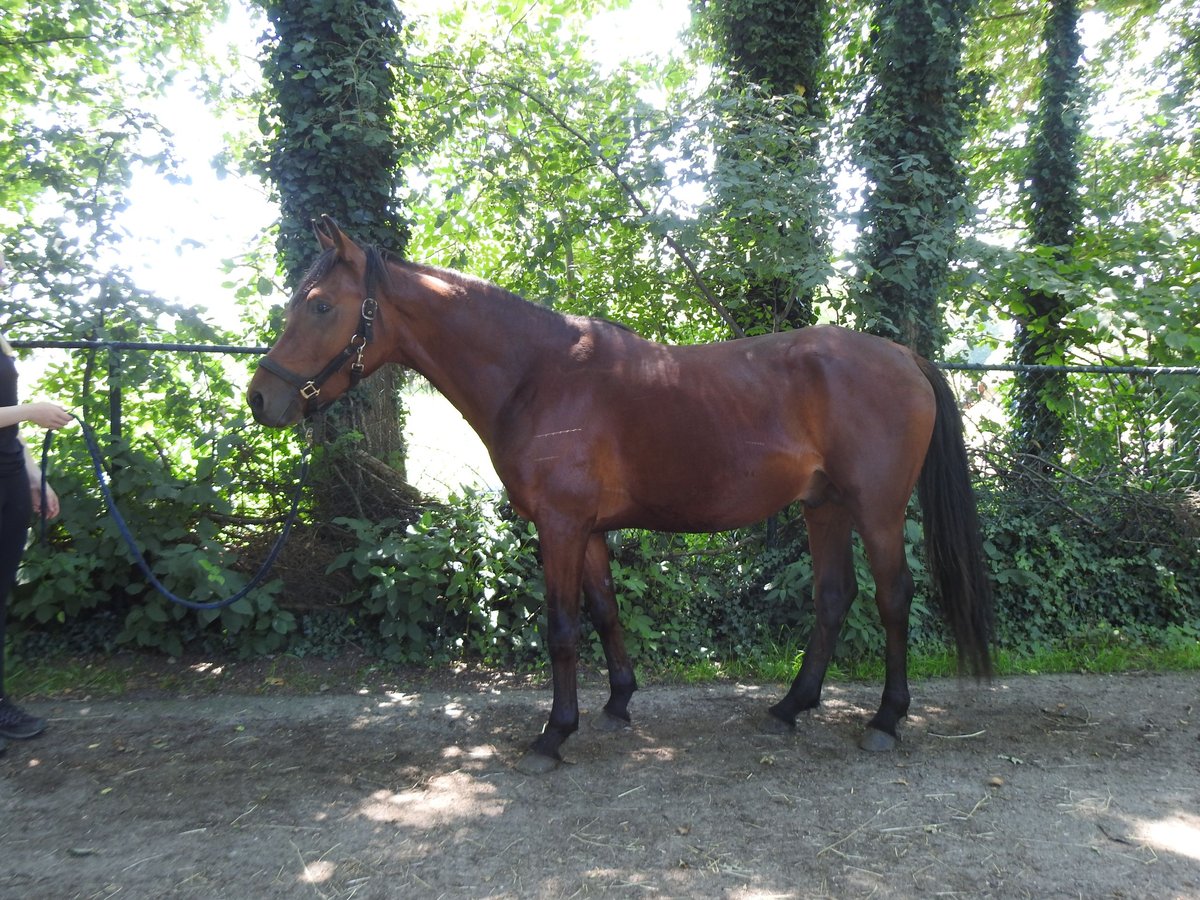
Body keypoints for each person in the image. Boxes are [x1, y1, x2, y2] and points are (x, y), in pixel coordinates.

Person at [0, 251, 71, 755]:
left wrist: (33, 476)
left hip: (6, 479)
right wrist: (32, 409)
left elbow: (10, 425)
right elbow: (16, 412)